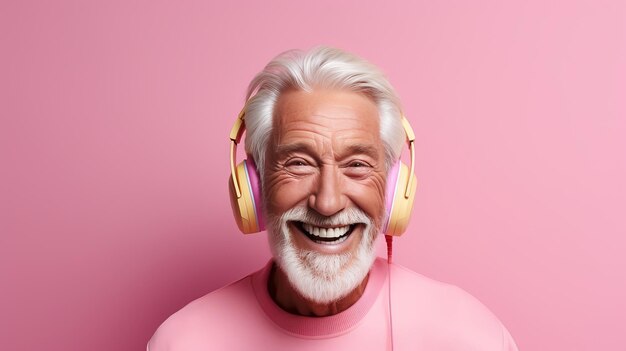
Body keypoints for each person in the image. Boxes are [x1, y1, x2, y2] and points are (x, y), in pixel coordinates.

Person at [148, 47, 518, 350]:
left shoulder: (470, 338)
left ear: (392, 189)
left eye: (357, 165)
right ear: (255, 186)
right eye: (298, 163)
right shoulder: (184, 342)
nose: (327, 203)